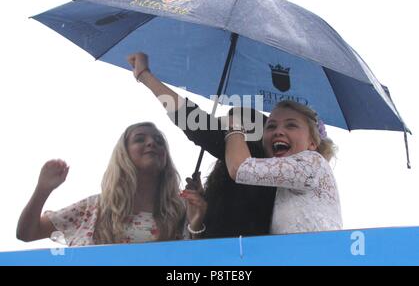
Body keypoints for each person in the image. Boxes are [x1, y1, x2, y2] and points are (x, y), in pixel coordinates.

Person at [128, 53, 277, 238]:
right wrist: (202, 210)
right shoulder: (227, 184)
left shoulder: (260, 171)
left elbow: (192, 120)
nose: (225, 131)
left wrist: (145, 76)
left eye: (230, 130)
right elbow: (208, 238)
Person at [16, 122, 206, 246]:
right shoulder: (93, 207)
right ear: (123, 154)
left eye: (159, 141)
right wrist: (43, 190)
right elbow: (27, 233)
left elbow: (203, 262)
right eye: (140, 139)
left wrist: (196, 222)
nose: (152, 143)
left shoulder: (181, 210)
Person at [224, 100, 343, 234]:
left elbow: (239, 168)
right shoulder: (280, 185)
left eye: (291, 125)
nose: (278, 131)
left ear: (312, 143)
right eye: (271, 126)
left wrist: (234, 128)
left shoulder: (313, 161)